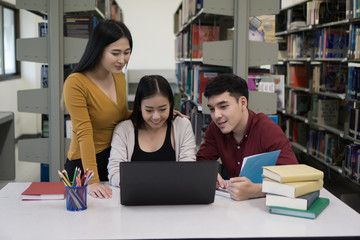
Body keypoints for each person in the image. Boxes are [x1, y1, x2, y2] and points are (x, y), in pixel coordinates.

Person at [196, 73, 298, 201]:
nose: (216, 115)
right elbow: (201, 162)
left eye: (223, 107)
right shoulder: (215, 128)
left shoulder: (267, 129)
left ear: (243, 103)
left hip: (266, 209)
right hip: (235, 209)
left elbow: (294, 177)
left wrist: (256, 190)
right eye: (212, 109)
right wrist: (209, 175)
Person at [63, 20, 133, 199]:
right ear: (98, 50)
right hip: (84, 164)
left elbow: (120, 115)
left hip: (113, 157)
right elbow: (84, 132)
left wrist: (157, 114)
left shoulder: (119, 77)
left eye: (127, 52)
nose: (122, 60)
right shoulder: (76, 83)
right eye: (115, 53)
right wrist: (91, 179)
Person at [108, 75, 196, 187]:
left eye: (163, 109)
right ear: (139, 106)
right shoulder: (123, 130)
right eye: (149, 110)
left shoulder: (182, 126)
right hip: (136, 197)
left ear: (170, 104)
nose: (156, 117)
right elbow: (114, 173)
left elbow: (188, 170)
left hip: (172, 199)